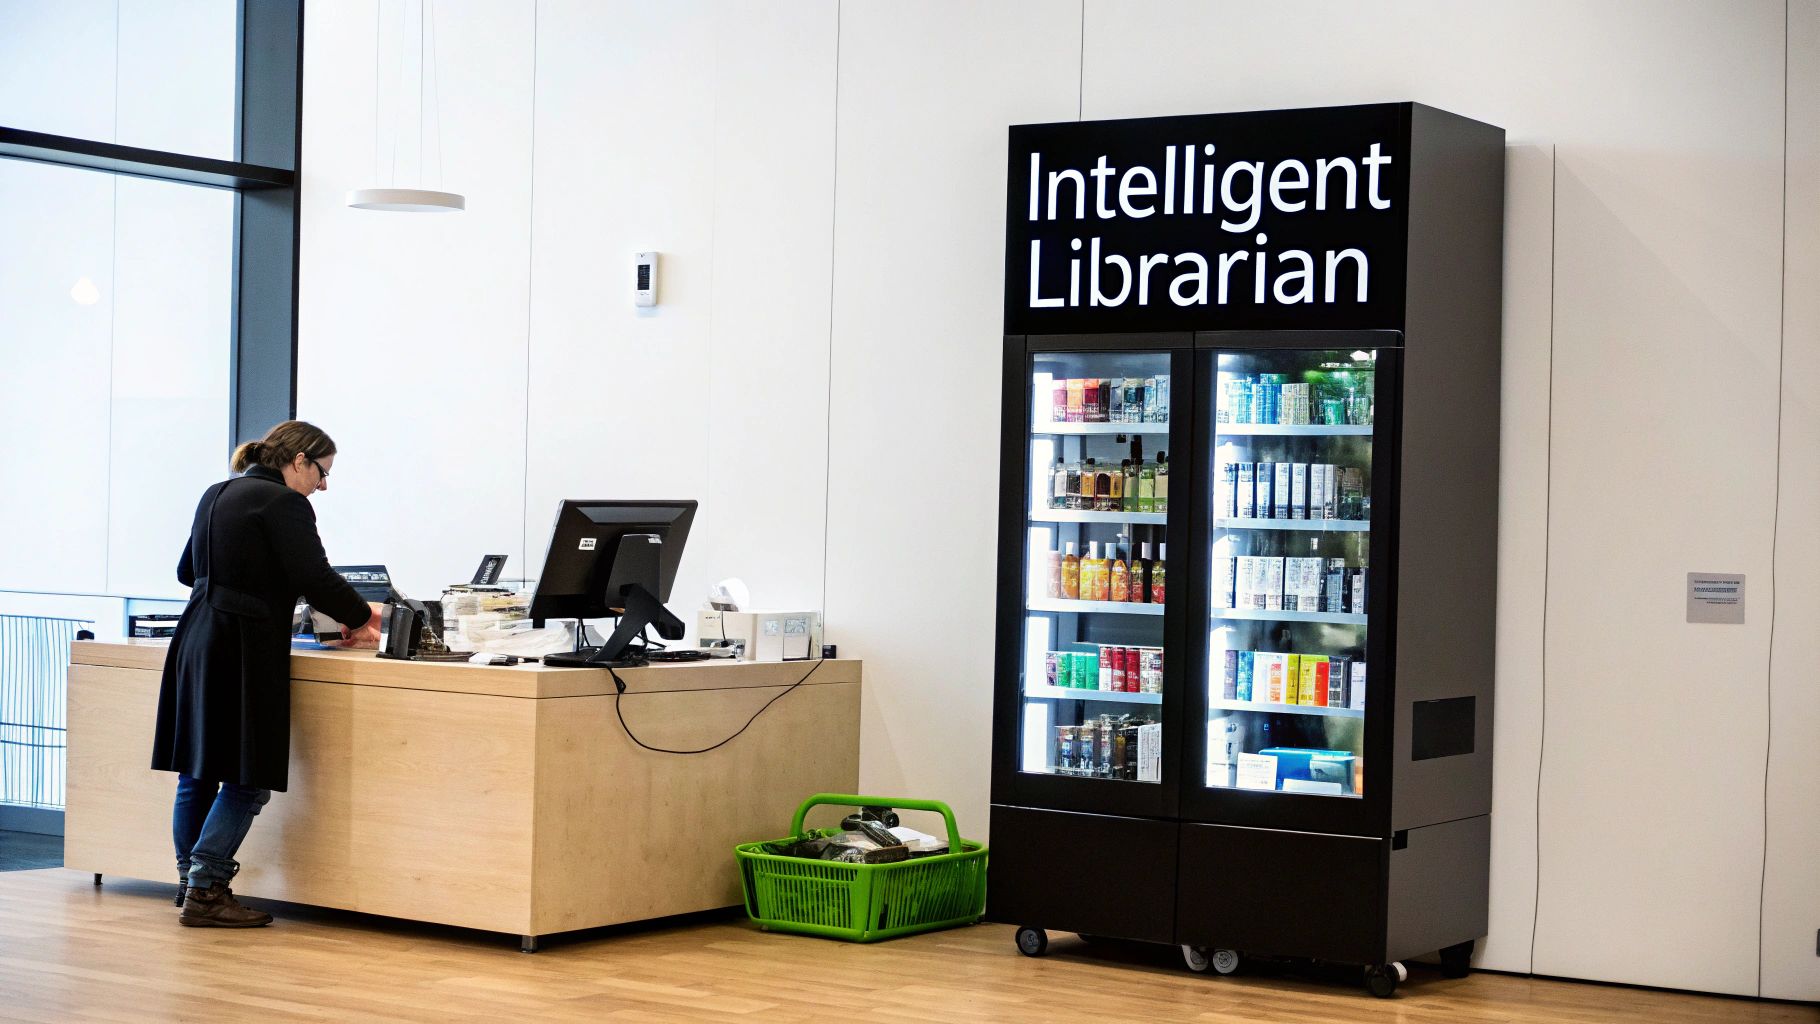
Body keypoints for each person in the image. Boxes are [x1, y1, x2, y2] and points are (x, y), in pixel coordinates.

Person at [150, 420, 383, 928]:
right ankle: (206, 890)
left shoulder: (219, 492)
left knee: (198, 771)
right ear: (299, 461)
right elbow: (314, 577)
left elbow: (187, 572)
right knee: (247, 776)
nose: (324, 485)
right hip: (243, 642)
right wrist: (366, 616)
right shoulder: (284, 503)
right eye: (322, 472)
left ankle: (187, 883)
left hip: (196, 636)